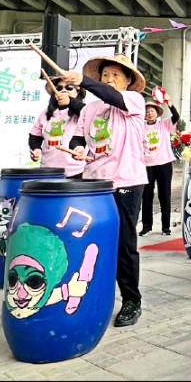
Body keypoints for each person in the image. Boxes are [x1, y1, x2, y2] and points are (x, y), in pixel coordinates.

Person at [65, 53, 147, 327]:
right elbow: (79, 135)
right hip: (94, 184)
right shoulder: (89, 109)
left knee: (124, 244)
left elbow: (111, 96)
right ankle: (94, 295)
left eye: (116, 75)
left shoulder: (133, 101)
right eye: (105, 75)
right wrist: (78, 148)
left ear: (127, 81)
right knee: (92, 244)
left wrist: (84, 81)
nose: (109, 80)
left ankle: (131, 300)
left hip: (126, 181)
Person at [28, 77, 87, 178]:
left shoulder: (83, 111)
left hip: (76, 172)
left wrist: (70, 102)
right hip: (48, 172)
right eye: (59, 88)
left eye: (69, 88)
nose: (64, 91)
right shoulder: (46, 114)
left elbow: (86, 112)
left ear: (78, 92)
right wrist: (36, 149)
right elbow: (35, 136)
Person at [140, 92, 180, 237]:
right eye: (147, 112)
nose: (150, 113)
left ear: (157, 113)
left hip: (164, 164)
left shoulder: (164, 125)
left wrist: (169, 102)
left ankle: (166, 227)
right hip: (146, 165)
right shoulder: (141, 127)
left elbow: (176, 117)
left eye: (152, 111)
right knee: (146, 196)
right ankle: (146, 226)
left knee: (165, 195)